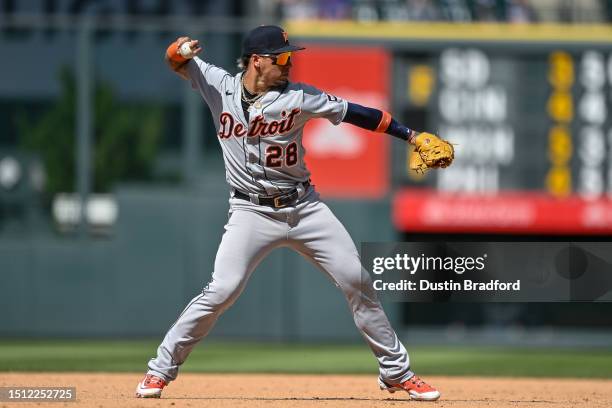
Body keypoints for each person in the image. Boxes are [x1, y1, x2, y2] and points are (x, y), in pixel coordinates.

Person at [136, 24, 450, 401]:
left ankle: (396, 372)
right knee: (222, 290)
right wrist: (180, 49)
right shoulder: (218, 84)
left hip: (304, 208)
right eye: (281, 57)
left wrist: (411, 136)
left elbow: (358, 113)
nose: (289, 64)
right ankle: (159, 370)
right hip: (249, 212)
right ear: (256, 61)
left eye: (290, 56)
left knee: (358, 280)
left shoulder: (301, 98)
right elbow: (175, 61)